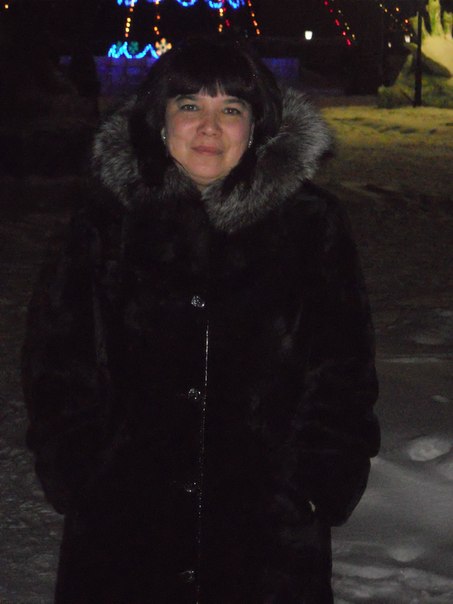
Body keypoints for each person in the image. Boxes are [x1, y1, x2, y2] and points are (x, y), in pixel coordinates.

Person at [22, 36, 380, 604]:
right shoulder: (106, 223)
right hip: (124, 532)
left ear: (256, 127)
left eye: (231, 109)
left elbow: (343, 370)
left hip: (267, 539)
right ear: (160, 120)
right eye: (189, 105)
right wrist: (82, 474)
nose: (209, 127)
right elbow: (59, 362)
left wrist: (316, 484)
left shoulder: (310, 226)